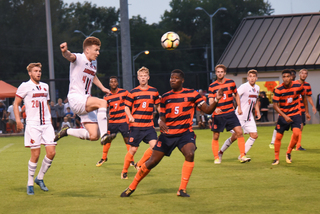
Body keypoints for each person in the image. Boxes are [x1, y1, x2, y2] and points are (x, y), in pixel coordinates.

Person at [120, 69, 223, 197]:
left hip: (185, 134)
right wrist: (161, 121)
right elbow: (162, 116)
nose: (173, 80)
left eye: (176, 78)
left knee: (190, 153)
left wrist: (216, 100)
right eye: (171, 78)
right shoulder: (165, 97)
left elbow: (207, 110)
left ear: (182, 80)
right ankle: (132, 187)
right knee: (152, 162)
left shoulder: (192, 94)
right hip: (168, 135)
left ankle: (181, 190)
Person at [55, 36, 115, 145]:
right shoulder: (79, 58)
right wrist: (64, 51)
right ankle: (105, 135)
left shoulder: (93, 63)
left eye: (98, 50)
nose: (98, 53)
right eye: (96, 50)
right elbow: (70, 56)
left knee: (93, 135)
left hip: (85, 100)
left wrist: (102, 88)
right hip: (76, 98)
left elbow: (93, 75)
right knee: (103, 103)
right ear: (87, 50)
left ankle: (66, 131)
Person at [13, 62, 56, 195]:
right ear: (30, 73)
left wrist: (50, 120)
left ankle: (40, 178)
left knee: (51, 152)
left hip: (46, 124)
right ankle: (30, 183)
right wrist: (18, 120)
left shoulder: (45, 86)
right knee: (35, 155)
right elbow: (16, 104)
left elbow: (47, 104)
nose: (38, 73)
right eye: (35, 71)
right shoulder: (24, 86)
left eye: (39, 71)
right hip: (33, 125)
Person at [121, 66, 160, 179]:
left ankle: (139, 164)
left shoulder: (154, 91)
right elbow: (126, 107)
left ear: (148, 77)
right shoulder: (133, 92)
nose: (143, 78)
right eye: (141, 76)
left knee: (155, 147)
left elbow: (158, 105)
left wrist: (161, 116)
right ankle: (124, 171)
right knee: (133, 149)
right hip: (136, 126)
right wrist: (130, 116)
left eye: (145, 76)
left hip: (149, 126)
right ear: (138, 78)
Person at [208, 64, 250, 164]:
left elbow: (236, 94)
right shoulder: (212, 86)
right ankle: (216, 157)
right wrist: (215, 108)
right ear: (216, 73)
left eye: (221, 72)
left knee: (239, 132)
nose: (220, 73)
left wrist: (239, 107)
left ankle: (242, 155)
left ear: (225, 73)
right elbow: (210, 100)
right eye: (218, 72)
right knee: (216, 136)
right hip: (218, 115)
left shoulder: (231, 83)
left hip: (230, 113)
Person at [218, 69, 261, 162]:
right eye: (250, 76)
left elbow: (256, 100)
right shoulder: (244, 87)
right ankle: (220, 152)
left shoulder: (257, 88)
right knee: (235, 136)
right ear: (248, 78)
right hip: (240, 116)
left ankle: (242, 155)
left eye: (254, 76)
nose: (252, 78)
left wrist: (257, 111)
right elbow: (235, 95)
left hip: (249, 117)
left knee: (254, 135)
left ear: (256, 78)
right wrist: (238, 107)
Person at [271, 69, 310, 165]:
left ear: (291, 77)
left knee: (296, 133)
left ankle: (288, 152)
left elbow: (304, 97)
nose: (286, 78)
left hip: (296, 114)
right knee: (279, 137)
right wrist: (284, 116)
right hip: (283, 115)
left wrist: (306, 111)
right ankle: (276, 158)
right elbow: (275, 106)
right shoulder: (278, 89)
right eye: (284, 77)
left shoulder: (298, 86)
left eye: (288, 76)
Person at [96, 76, 133, 167]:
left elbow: (131, 101)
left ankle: (131, 160)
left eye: (115, 82)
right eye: (111, 82)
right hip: (112, 122)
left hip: (123, 120)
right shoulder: (106, 96)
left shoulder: (124, 92)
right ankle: (104, 158)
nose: (113, 83)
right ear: (109, 84)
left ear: (117, 83)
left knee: (127, 139)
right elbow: (105, 110)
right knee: (108, 140)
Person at [269, 69, 297, 149]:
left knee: (296, 130)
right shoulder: (281, 88)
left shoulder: (297, 86)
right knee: (278, 129)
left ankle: (295, 144)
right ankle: (272, 142)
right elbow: (276, 103)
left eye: (291, 75)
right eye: (285, 76)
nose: (288, 78)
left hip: (294, 111)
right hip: (283, 111)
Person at [293, 68, 317, 150]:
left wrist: (313, 106)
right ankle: (297, 145)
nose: (304, 75)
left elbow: (308, 96)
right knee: (298, 126)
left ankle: (297, 145)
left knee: (300, 127)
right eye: (302, 73)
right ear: (299, 74)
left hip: (302, 109)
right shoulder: (293, 84)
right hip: (294, 109)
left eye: (305, 73)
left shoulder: (307, 85)